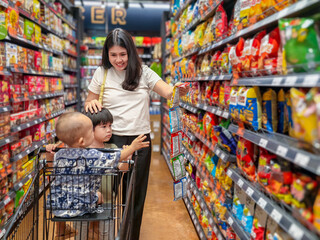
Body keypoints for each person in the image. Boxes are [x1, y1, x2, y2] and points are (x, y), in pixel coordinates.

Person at [85, 28, 189, 239]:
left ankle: (129, 236)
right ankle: (102, 234)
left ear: (130, 52)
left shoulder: (145, 72)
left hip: (140, 141)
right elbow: (89, 101)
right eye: (113, 55)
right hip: (109, 141)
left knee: (135, 196)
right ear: (107, 54)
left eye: (122, 54)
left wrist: (178, 90)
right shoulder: (101, 73)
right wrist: (92, 102)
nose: (118, 60)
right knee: (104, 193)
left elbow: (168, 91)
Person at [46, 112, 149, 240]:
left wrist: (49, 154)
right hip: (83, 203)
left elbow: (52, 168)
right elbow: (117, 157)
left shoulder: (60, 154)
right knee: (99, 196)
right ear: (82, 140)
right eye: (90, 132)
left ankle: (61, 231)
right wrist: (132, 147)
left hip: (58, 205)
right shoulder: (91, 155)